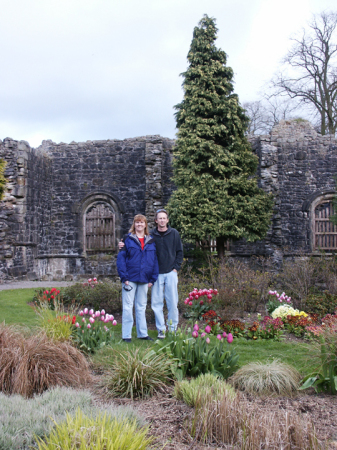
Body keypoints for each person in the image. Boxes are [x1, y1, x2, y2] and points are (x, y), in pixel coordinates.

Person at [119, 209, 183, 339]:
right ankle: (159, 330)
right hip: (145, 276)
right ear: (155, 221)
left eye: (164, 218)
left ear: (167, 220)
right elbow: (123, 257)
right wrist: (122, 244)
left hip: (164, 274)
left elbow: (178, 252)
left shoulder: (167, 235)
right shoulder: (143, 237)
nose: (162, 220)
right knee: (152, 305)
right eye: (159, 218)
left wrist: (175, 268)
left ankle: (170, 330)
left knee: (170, 303)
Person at [117, 214, 159, 342]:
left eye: (142, 223)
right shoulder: (127, 240)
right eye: (137, 222)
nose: (139, 225)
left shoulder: (151, 241)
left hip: (145, 279)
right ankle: (126, 335)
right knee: (128, 306)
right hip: (130, 278)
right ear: (134, 225)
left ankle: (142, 334)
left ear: (145, 225)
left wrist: (152, 279)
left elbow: (154, 261)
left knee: (141, 306)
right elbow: (121, 259)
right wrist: (124, 277)